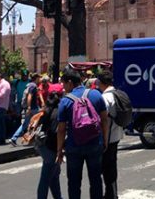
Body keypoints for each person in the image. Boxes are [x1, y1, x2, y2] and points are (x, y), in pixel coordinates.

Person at [56, 68, 110, 199]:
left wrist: (59, 150)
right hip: (95, 143)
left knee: (74, 182)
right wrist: (105, 140)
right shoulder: (96, 95)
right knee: (96, 179)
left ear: (69, 82)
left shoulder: (65, 101)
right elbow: (104, 120)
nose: (63, 87)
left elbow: (61, 129)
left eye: (63, 84)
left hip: (74, 146)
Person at [97, 70, 122, 199]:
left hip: (109, 137)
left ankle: (110, 195)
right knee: (112, 166)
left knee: (107, 169)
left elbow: (104, 120)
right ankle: (112, 193)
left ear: (101, 82)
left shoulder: (105, 97)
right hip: (117, 135)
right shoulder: (117, 93)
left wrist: (104, 140)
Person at [37, 91, 64, 199]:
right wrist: (60, 149)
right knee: (46, 177)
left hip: (43, 145)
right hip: (52, 147)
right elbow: (55, 132)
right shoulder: (58, 112)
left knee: (54, 175)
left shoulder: (46, 110)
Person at [10, 72, 44, 146]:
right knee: (39, 123)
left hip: (31, 108)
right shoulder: (33, 86)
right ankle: (34, 140)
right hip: (33, 108)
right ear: (36, 78)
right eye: (39, 78)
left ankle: (14, 138)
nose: (40, 79)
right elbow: (29, 96)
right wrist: (29, 107)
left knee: (25, 124)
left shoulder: (30, 85)